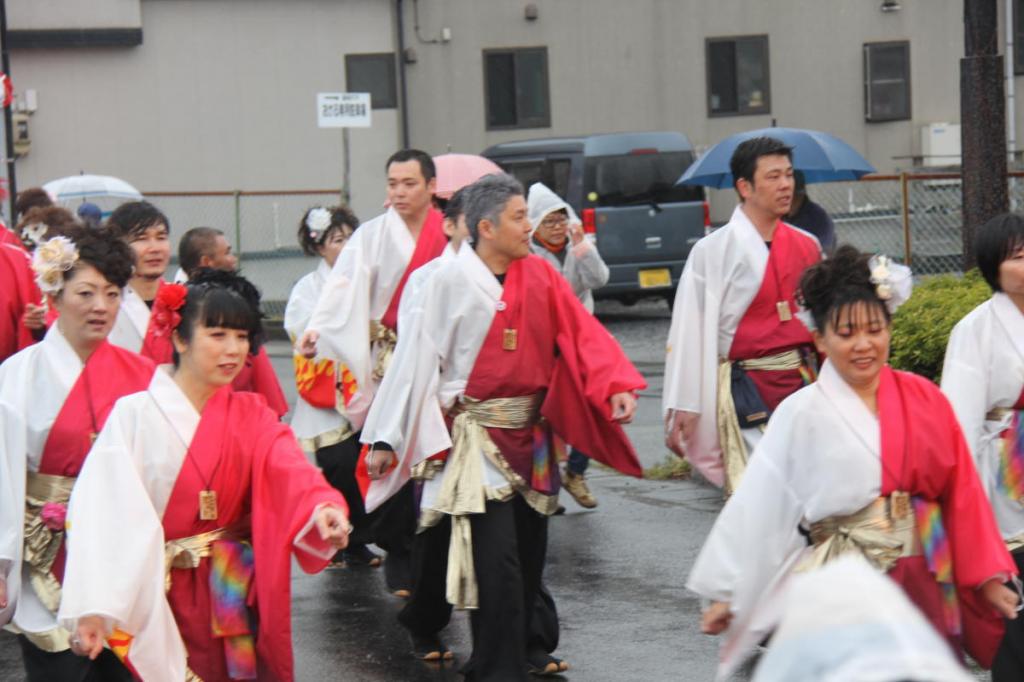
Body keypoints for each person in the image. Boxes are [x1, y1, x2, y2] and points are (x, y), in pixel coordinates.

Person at [360, 173, 646, 680]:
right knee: (496, 563)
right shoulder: (444, 282)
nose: (528, 226)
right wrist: (387, 436)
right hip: (473, 435)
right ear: (487, 228)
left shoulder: (541, 275)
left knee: (530, 556)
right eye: (518, 217)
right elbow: (413, 362)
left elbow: (581, 333)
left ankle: (522, 646)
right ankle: (495, 668)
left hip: (532, 432)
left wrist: (613, 383)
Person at [688, 246, 1019, 680]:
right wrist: (730, 591)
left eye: (874, 329)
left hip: (924, 571)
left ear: (889, 328)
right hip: (843, 580)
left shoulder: (924, 398)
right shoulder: (801, 412)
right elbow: (762, 503)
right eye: (846, 333)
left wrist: (987, 576)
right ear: (820, 339)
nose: (864, 345)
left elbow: (962, 494)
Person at [57, 270, 352, 682]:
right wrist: (95, 607)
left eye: (242, 336)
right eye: (217, 335)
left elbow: (290, 467)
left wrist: (320, 506)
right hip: (154, 581)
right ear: (180, 339)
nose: (233, 349)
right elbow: (101, 512)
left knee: (233, 674)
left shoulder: (252, 414)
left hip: (230, 578)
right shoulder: (134, 415)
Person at [0, 228, 155, 681]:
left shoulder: (144, 376)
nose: (101, 306)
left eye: (112, 293)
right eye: (85, 293)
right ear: (54, 294)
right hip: (47, 554)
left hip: (123, 549)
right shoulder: (16, 376)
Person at [297, 149, 448, 596]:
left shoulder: (449, 231)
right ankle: (400, 552)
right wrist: (320, 328)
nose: (399, 192)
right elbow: (341, 289)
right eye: (392, 184)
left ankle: (437, 550)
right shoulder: (372, 236)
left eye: (409, 183)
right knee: (388, 451)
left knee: (435, 452)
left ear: (431, 186)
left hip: (437, 357)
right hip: (388, 360)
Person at [663, 136, 822, 495]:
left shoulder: (807, 245)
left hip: (802, 381)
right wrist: (686, 403)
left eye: (789, 175)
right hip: (746, 388)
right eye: (773, 177)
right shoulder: (712, 251)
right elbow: (690, 331)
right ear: (745, 187)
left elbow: (826, 321)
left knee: (808, 494)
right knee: (759, 495)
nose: (785, 185)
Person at [941, 212, 1024, 680]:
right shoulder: (975, 330)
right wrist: (968, 508)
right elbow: (960, 423)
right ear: (993, 267)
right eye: (1017, 257)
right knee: (1014, 592)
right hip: (1003, 471)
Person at [284, 204, 379, 567]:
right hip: (328, 389)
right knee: (338, 465)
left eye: (350, 238)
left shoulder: (367, 281)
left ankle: (359, 539)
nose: (346, 246)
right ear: (318, 246)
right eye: (337, 240)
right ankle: (344, 538)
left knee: (364, 463)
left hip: (364, 384)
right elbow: (299, 330)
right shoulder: (308, 288)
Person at [527, 181, 610, 509]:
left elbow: (599, 279)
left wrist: (582, 248)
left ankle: (576, 472)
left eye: (561, 219)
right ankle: (545, 488)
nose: (557, 227)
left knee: (592, 406)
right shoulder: (527, 253)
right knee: (544, 413)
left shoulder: (578, 244)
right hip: (543, 344)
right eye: (548, 221)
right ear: (535, 224)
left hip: (580, 338)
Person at [177, 226, 288, 418]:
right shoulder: (176, 306)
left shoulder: (235, 298)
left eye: (241, 337)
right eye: (227, 253)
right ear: (206, 262)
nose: (233, 259)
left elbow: (260, 371)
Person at [104, 200, 176, 362]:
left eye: (161, 237)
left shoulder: (185, 300)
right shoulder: (107, 306)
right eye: (142, 238)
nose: (155, 248)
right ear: (118, 246)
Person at [786, 171, 836, 253]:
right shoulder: (774, 213)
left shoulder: (819, 218)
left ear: (801, 195)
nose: (789, 201)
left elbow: (824, 252)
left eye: (793, 196)